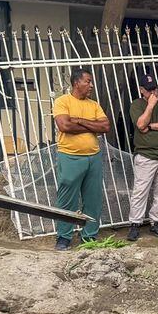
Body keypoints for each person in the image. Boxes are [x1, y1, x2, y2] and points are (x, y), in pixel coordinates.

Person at [50, 67, 110, 250]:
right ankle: (64, 237)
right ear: (76, 83)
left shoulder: (94, 104)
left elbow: (106, 126)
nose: (91, 85)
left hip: (93, 157)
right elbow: (64, 126)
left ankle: (89, 235)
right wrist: (93, 126)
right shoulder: (62, 102)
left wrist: (81, 121)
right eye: (88, 81)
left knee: (93, 199)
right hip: (70, 156)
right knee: (67, 198)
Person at [127, 71, 158, 241]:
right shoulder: (136, 105)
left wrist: (152, 126)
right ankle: (135, 224)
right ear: (142, 90)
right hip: (145, 155)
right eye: (149, 89)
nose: (153, 92)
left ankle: (156, 222)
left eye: (154, 88)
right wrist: (150, 106)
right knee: (140, 191)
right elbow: (141, 125)